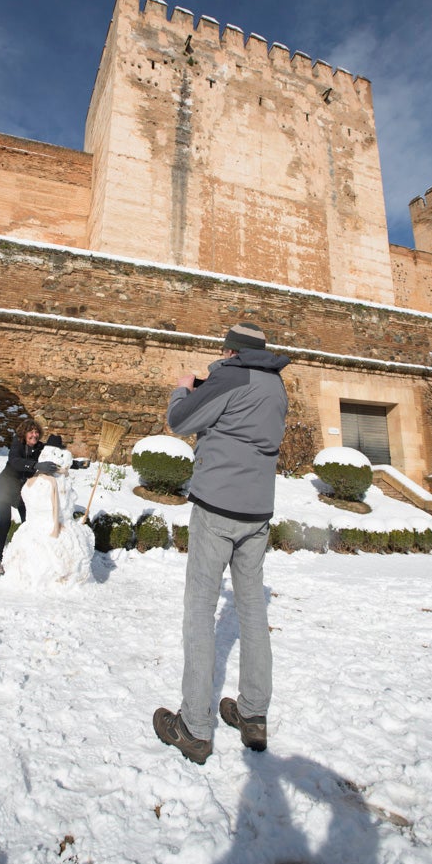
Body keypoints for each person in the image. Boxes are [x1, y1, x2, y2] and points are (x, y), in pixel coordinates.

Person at [153, 322, 289, 764]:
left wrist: (183, 388)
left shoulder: (231, 376)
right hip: (257, 513)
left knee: (200, 609)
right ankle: (252, 716)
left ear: (230, 351)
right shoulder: (276, 386)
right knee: (252, 611)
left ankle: (193, 726)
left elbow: (180, 421)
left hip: (216, 510)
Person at [0, 419, 63, 575]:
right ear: (24, 433)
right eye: (31, 432)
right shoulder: (17, 444)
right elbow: (15, 461)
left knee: (28, 523)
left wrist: (76, 464)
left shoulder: (39, 448)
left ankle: (28, 558)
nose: (34, 435)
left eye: (36, 432)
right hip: (5, 486)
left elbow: (55, 456)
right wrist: (36, 466)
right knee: (4, 522)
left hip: (22, 491)